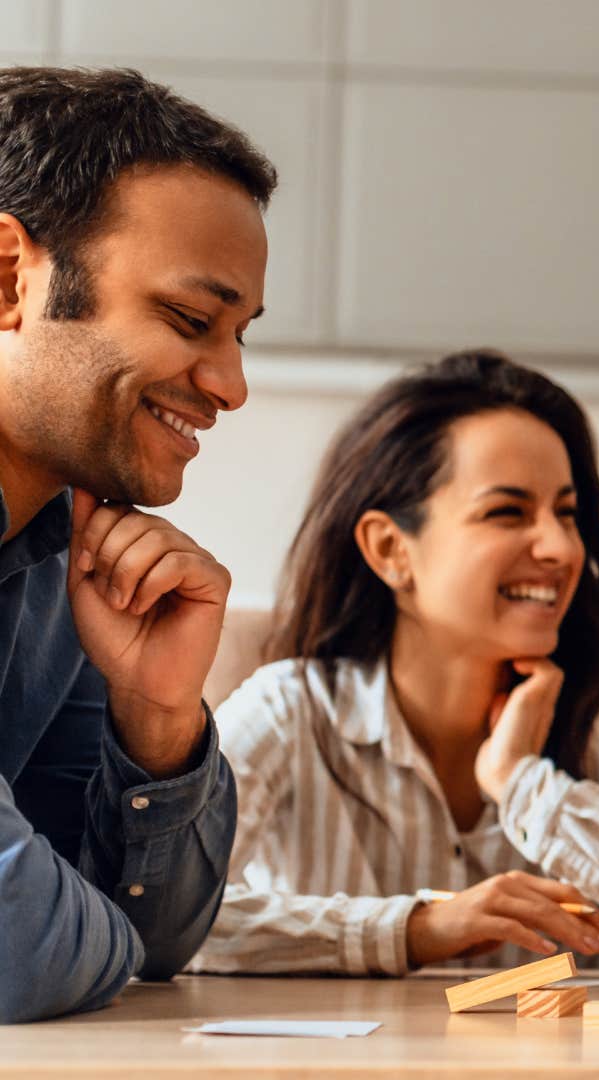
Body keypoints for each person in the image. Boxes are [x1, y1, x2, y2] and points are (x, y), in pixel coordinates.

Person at [190, 351, 599, 974]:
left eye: (567, 513)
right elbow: (156, 922)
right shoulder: (291, 710)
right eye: (507, 512)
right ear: (391, 549)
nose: (558, 548)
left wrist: (525, 786)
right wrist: (414, 929)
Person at [0, 67, 274, 1023]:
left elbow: (159, 945)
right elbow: (22, 962)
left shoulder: (63, 550)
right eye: (192, 321)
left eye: (240, 335)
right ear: (9, 278)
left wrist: (156, 720)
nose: (233, 386)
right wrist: (86, 929)